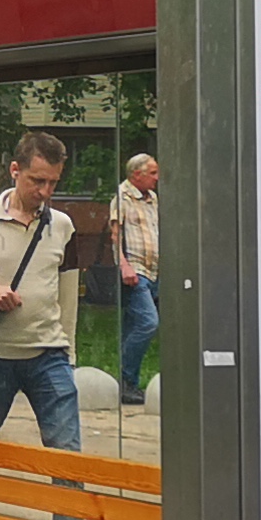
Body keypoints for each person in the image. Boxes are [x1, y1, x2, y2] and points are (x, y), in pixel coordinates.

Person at [0, 129, 82, 452]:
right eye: (37, 181)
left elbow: (68, 297)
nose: (45, 191)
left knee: (68, 454)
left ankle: (68, 504)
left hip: (49, 354)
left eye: (53, 183)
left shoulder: (63, 226)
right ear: (15, 171)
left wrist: (69, 356)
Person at [111, 153, 161, 397]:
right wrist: (124, 266)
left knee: (133, 327)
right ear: (136, 175)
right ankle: (127, 379)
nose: (157, 178)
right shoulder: (122, 198)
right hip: (136, 272)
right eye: (152, 173)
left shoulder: (152, 199)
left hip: (155, 272)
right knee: (148, 323)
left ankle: (126, 385)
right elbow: (115, 236)